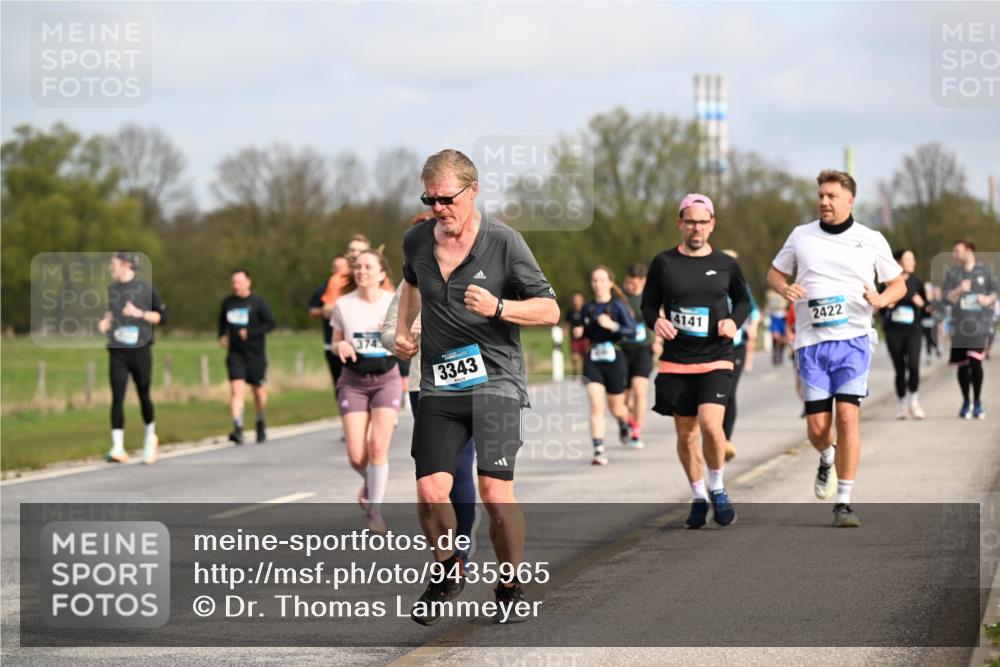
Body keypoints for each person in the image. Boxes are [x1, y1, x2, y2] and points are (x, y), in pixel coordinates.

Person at [394, 149, 559, 625]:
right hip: (441, 385)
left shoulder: (505, 242)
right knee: (429, 492)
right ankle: (449, 569)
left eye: (447, 199)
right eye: (430, 198)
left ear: (473, 190)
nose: (439, 208)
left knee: (495, 495)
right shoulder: (416, 240)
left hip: (497, 383)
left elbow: (550, 310)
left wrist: (501, 308)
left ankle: (509, 584)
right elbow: (410, 284)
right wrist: (405, 331)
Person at [767, 170, 906, 528]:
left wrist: (881, 298)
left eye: (831, 196)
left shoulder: (870, 238)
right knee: (817, 428)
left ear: (850, 200)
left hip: (854, 340)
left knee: (847, 418)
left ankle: (844, 500)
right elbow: (774, 274)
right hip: (812, 344)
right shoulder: (801, 236)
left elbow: (898, 285)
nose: (824, 201)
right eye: (821, 195)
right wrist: (784, 289)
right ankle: (826, 457)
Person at [641, 193, 749, 529]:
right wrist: (655, 321)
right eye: (691, 221)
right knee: (686, 434)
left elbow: (744, 302)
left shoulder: (727, 264)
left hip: (716, 356)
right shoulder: (664, 263)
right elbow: (647, 305)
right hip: (676, 360)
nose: (697, 227)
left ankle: (717, 486)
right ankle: (698, 494)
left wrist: (734, 321)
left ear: (712, 224)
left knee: (711, 426)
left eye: (703, 222)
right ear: (680, 224)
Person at [382, 212, 480, 562]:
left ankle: (463, 541)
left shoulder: (473, 269)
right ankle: (444, 551)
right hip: (424, 384)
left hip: (466, 378)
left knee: (460, 465)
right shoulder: (409, 282)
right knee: (430, 475)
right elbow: (390, 328)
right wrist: (402, 339)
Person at [331, 249, 401, 532]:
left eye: (368, 267)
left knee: (378, 447)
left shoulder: (394, 302)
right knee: (357, 456)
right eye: (357, 267)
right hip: (353, 382)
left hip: (387, 379)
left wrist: (394, 332)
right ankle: (372, 479)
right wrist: (341, 346)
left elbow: (412, 337)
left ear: (381, 274)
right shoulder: (343, 305)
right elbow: (335, 341)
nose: (361, 271)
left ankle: (375, 513)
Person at [97, 251, 167, 465]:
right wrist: (105, 322)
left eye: (113, 264)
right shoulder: (113, 290)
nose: (111, 268)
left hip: (140, 350)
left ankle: (150, 438)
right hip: (117, 349)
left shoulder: (146, 288)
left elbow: (162, 317)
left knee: (143, 393)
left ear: (126, 265)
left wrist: (139, 313)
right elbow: (112, 312)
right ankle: (118, 447)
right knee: (117, 396)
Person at [576, 266, 637, 465]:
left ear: (610, 282)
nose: (598, 284)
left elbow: (632, 331)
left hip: (614, 357)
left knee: (616, 407)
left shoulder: (618, 306)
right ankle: (599, 449)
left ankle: (622, 421)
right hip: (593, 357)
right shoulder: (588, 307)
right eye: (595, 280)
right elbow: (584, 330)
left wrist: (613, 326)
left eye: (602, 280)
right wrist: (579, 332)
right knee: (595, 404)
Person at [218, 269, 277, 445]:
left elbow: (271, 323)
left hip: (255, 354)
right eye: (233, 282)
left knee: (258, 391)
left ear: (248, 282)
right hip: (235, 354)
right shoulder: (228, 303)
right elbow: (221, 322)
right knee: (236, 389)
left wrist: (251, 333)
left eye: (238, 282)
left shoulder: (258, 303)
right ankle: (237, 428)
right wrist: (222, 336)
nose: (235, 286)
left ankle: (260, 422)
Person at [943, 240, 998, 419]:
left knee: (975, 362)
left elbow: (996, 292)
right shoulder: (953, 274)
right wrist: (958, 289)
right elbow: (947, 299)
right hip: (960, 326)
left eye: (957, 251)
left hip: (979, 326)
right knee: (963, 365)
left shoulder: (985, 271)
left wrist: (988, 299)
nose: (954, 255)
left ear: (968, 251)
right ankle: (966, 401)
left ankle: (978, 401)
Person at [880, 249, 928, 420]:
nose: (913, 262)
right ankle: (902, 404)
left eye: (913, 259)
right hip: (894, 331)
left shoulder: (917, 282)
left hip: (913, 330)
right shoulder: (887, 282)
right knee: (900, 368)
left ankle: (914, 401)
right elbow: (878, 304)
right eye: (909, 259)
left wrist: (921, 303)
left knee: (914, 366)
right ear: (898, 262)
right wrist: (887, 305)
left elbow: (927, 309)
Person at [721, 249, 760, 460]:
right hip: (712, 347)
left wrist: (753, 326)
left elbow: (753, 310)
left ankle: (725, 440)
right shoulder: (710, 282)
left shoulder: (742, 286)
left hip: (736, 346)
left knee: (728, 393)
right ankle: (714, 435)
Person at [621, 263, 656, 450]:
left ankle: (637, 432)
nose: (629, 286)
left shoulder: (651, 294)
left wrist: (659, 341)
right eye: (628, 282)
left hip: (643, 348)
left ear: (642, 281)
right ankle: (628, 420)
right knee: (623, 398)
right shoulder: (619, 295)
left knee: (640, 388)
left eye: (633, 284)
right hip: (622, 349)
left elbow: (660, 317)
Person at [309, 255, 350, 395]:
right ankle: (343, 410)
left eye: (342, 267)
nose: (338, 271)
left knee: (351, 380)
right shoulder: (325, 287)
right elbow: (313, 310)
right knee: (338, 380)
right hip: (331, 340)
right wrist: (326, 310)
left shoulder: (355, 286)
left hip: (351, 341)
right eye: (336, 268)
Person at [566, 292, 588, 378]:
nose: (576, 302)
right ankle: (575, 371)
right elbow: (568, 323)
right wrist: (566, 331)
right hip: (574, 338)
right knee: (574, 357)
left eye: (578, 300)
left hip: (584, 338)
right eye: (575, 300)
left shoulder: (586, 310)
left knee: (585, 357)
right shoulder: (570, 312)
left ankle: (585, 372)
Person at [765, 288, 788, 365]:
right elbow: (768, 304)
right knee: (775, 336)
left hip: (782, 318)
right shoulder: (769, 293)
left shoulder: (784, 290)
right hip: (774, 317)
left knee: (782, 338)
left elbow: (785, 304)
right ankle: (775, 353)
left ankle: (780, 353)